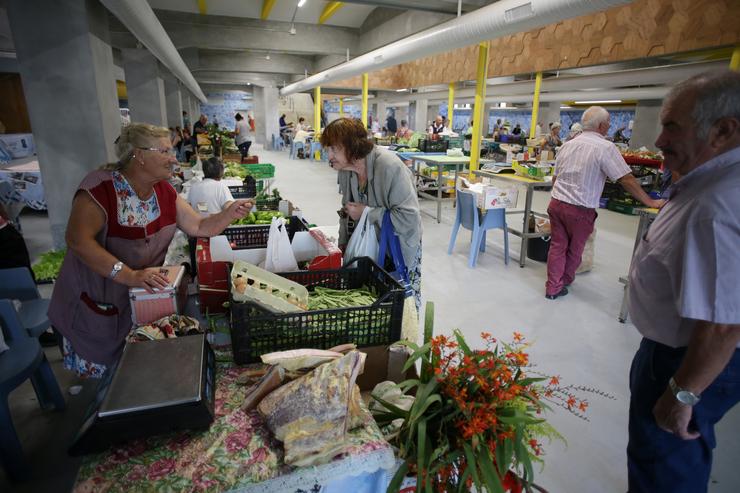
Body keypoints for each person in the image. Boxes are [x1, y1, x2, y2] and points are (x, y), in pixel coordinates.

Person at [47, 123, 254, 378]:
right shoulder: (101, 189)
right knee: (107, 380)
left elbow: (199, 225)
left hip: (135, 298)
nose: (173, 158)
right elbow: (78, 241)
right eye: (165, 151)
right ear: (139, 155)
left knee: (135, 369)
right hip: (97, 294)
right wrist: (129, 275)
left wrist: (228, 214)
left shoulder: (164, 191)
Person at [626, 70, 740, 493]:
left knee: (663, 463)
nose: (658, 141)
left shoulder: (718, 203)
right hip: (674, 351)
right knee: (655, 456)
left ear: (723, 131)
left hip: (687, 362)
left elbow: (724, 322)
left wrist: (683, 395)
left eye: (672, 125)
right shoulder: (708, 182)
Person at [544, 106, 663, 300]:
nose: (609, 126)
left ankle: (552, 287)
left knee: (557, 246)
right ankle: (564, 281)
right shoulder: (605, 147)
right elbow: (626, 179)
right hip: (580, 209)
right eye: (608, 123)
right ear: (601, 126)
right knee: (574, 250)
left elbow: (555, 178)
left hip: (557, 203)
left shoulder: (568, 144)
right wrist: (649, 201)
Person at [320, 118, 422, 309]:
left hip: (397, 248)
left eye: (334, 148)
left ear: (352, 146)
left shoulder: (390, 166)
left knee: (398, 306)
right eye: (328, 149)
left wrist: (368, 213)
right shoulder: (345, 170)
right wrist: (343, 242)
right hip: (367, 247)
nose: (329, 155)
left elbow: (409, 218)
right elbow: (346, 210)